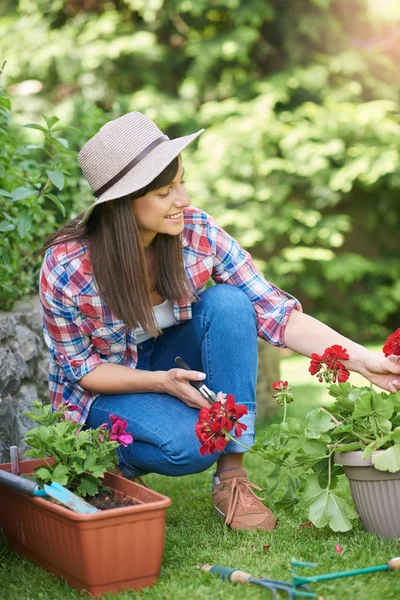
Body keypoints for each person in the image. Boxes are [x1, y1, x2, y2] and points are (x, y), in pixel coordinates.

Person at [39, 112, 400, 532]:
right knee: (189, 447)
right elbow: (83, 370)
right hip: (107, 389)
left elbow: (276, 312)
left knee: (230, 303)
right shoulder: (67, 267)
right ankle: (108, 460)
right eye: (165, 192)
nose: (184, 200)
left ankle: (232, 479)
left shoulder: (196, 233)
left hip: (172, 363)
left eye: (181, 183)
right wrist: (159, 383)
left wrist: (361, 360)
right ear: (123, 202)